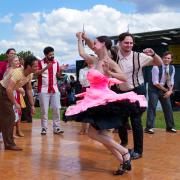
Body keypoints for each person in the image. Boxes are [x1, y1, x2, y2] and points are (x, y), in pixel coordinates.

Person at [64, 32, 147, 175]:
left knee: (92, 132)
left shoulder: (109, 61)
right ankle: (123, 161)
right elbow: (82, 52)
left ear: (103, 44)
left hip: (103, 100)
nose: (93, 45)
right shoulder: (94, 60)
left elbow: (122, 77)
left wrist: (110, 73)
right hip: (93, 99)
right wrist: (79, 39)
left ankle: (124, 152)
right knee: (102, 135)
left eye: (95, 43)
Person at [82, 32, 162, 159]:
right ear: (119, 43)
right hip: (119, 91)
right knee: (121, 120)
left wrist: (153, 54)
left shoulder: (138, 56)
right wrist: (84, 37)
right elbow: (96, 47)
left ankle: (138, 151)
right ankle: (123, 143)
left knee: (136, 120)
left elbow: (159, 63)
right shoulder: (114, 54)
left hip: (136, 90)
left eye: (131, 43)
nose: (129, 45)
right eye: (126, 42)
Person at [0, 55, 37, 151]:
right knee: (10, 117)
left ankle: (8, 142)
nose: (37, 68)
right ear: (28, 66)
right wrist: (16, 103)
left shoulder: (30, 74)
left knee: (5, 118)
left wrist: (32, 105)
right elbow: (8, 89)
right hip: (3, 91)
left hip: (7, 91)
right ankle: (9, 144)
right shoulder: (18, 73)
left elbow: (29, 90)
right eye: (35, 66)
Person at [36, 46, 66, 135]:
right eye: (50, 55)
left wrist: (61, 71)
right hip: (43, 89)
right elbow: (36, 73)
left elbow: (58, 76)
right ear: (45, 55)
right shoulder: (40, 63)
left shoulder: (56, 62)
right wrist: (46, 67)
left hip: (54, 89)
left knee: (56, 108)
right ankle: (44, 128)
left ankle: (56, 128)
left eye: (53, 54)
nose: (52, 56)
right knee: (44, 110)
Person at [145, 51, 176, 134]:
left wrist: (170, 91)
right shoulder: (156, 67)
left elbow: (171, 81)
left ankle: (170, 127)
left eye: (168, 58)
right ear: (162, 58)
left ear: (171, 60)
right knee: (152, 107)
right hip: (154, 89)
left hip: (165, 89)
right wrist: (166, 90)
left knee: (168, 108)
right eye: (165, 58)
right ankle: (149, 127)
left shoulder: (172, 68)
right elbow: (155, 83)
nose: (166, 59)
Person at [78, 61, 92, 135]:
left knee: (93, 110)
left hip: (94, 90)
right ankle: (83, 128)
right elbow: (81, 81)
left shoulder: (97, 69)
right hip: (85, 90)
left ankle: (91, 129)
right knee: (83, 110)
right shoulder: (82, 70)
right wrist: (89, 78)